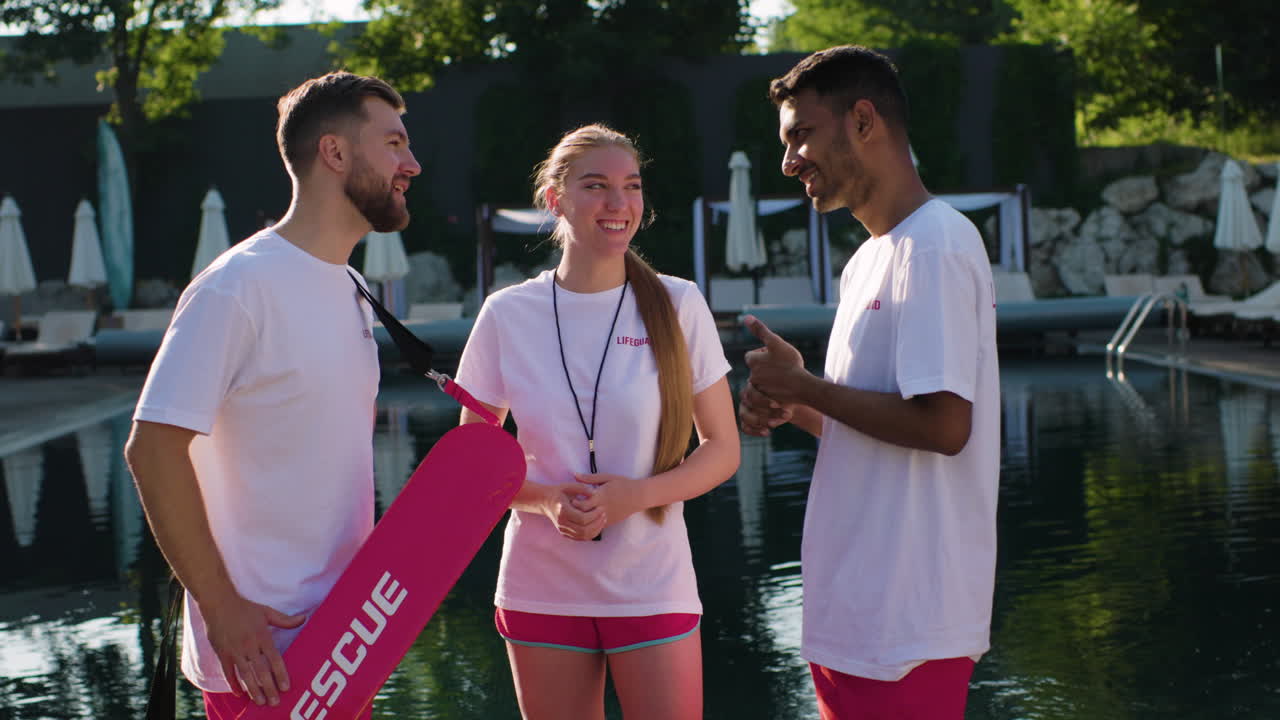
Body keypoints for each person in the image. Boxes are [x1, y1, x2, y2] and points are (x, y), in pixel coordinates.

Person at [123, 71, 420, 718]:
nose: (412, 165)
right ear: (334, 152)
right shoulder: (238, 287)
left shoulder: (348, 287)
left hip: (343, 643)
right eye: (394, 144)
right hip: (263, 664)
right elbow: (153, 448)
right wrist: (222, 609)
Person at [738, 46, 1000, 719]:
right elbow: (869, 429)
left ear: (862, 121)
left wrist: (807, 387)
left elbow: (944, 427)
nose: (788, 161)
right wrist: (795, 400)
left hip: (910, 628)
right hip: (855, 621)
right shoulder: (866, 261)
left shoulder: (936, 244)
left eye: (801, 134)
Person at [453, 123, 740, 719]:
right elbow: (471, 465)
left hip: (651, 585)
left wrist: (635, 496)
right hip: (540, 590)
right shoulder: (507, 314)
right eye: (596, 186)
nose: (619, 203)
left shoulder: (679, 304)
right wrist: (545, 501)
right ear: (555, 200)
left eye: (631, 186)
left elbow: (721, 448)